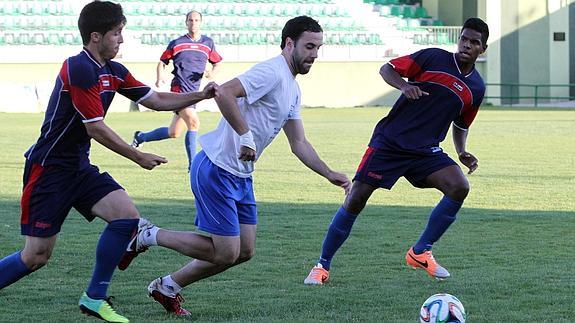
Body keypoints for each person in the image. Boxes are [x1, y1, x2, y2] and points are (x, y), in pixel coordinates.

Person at [118, 16, 351, 316]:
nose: (314, 55)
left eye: (318, 48)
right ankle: (147, 235)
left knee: (244, 251)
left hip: (241, 176)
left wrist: (329, 173)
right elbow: (224, 92)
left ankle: (167, 286)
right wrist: (246, 136)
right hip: (217, 168)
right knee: (226, 251)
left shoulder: (292, 89)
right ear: (289, 43)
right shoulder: (271, 72)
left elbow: (299, 143)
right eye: (309, 46)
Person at [0, 2, 217, 322]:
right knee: (36, 256)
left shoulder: (113, 70)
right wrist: (137, 155)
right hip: (48, 171)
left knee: (127, 218)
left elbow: (155, 99)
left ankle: (94, 298)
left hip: (78, 167)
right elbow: (95, 127)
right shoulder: (78, 67)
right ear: (95, 36)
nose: (121, 40)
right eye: (117, 33)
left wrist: (200, 95)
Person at [303, 17, 489, 285]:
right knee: (355, 199)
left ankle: (421, 251)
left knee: (459, 186)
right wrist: (404, 86)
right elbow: (387, 68)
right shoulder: (432, 57)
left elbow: (461, 122)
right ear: (458, 38)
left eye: (474, 42)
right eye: (464, 38)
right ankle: (322, 266)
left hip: (426, 152)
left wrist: (461, 151)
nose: (467, 45)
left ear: (482, 49)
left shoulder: (476, 88)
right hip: (390, 143)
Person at [131, 10, 222, 171]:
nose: (193, 23)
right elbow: (162, 62)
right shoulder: (177, 43)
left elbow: (217, 63)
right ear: (186, 22)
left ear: (200, 23)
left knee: (174, 132)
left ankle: (141, 137)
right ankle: (193, 165)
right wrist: (160, 77)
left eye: (196, 20)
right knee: (194, 122)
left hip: (195, 92)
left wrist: (211, 73)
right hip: (178, 91)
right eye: (190, 20)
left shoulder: (207, 43)